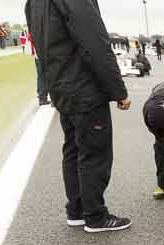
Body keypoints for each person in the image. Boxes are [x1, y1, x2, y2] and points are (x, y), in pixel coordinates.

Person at [25, 0, 132, 232]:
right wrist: (118, 90)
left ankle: (76, 211)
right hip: (84, 87)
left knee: (73, 148)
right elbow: (95, 43)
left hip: (61, 86)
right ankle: (95, 216)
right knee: (94, 152)